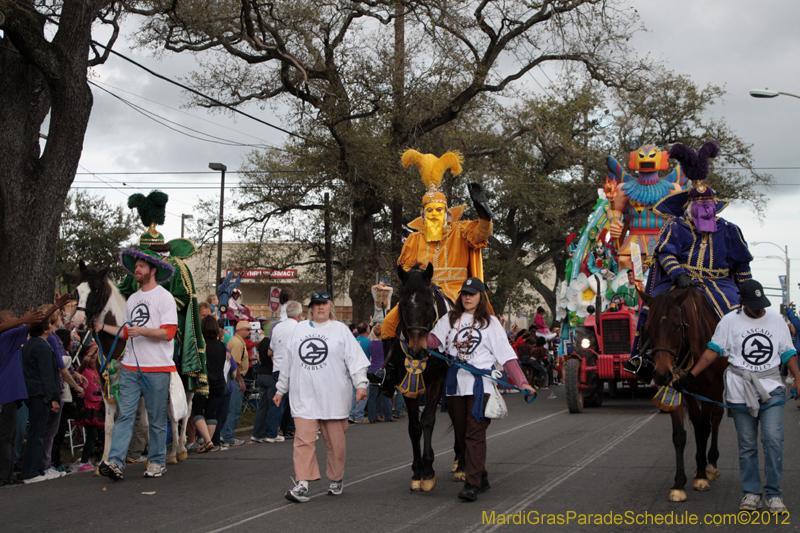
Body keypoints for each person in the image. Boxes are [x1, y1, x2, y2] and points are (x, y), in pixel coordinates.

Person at [624, 141, 753, 375]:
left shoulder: (729, 230)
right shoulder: (676, 226)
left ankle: (742, 363)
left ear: (715, 205)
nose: (704, 206)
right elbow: (665, 252)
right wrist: (678, 274)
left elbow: (741, 264)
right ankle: (640, 359)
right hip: (680, 280)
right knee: (652, 308)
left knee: (738, 313)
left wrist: (747, 289)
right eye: (699, 203)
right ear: (688, 206)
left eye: (708, 203)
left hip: (720, 282)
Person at [673, 280, 800, 514]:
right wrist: (690, 376)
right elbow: (713, 351)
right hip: (740, 390)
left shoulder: (775, 321)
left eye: (761, 304)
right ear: (742, 301)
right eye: (753, 305)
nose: (759, 309)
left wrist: (798, 380)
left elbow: (788, 352)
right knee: (747, 445)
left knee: (772, 439)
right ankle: (751, 494)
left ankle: (774, 494)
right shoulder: (729, 321)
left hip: (771, 387)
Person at [428, 278, 534, 502]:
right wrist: (415, 334)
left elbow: (507, 357)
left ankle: (472, 482)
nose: (468, 297)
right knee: (462, 434)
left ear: (481, 296)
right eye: (465, 293)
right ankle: (481, 475)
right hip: (455, 386)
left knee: (474, 433)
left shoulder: (491, 323)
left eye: (472, 293)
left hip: (481, 386)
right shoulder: (449, 319)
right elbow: (433, 341)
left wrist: (522, 382)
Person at [381, 150, 494, 341]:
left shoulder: (460, 230)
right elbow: (406, 269)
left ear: (447, 213)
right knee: (388, 323)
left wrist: (484, 214)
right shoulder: (414, 239)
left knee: (482, 325)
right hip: (424, 292)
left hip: (458, 290)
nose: (434, 213)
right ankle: (388, 369)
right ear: (423, 215)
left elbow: (480, 234)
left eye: (439, 209)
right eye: (430, 210)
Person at [275, 291, 370, 503]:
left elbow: (355, 360)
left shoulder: (340, 330)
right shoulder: (299, 329)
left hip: (333, 397)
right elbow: (287, 362)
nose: (320, 308)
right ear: (310, 308)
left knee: (335, 443)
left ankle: (336, 478)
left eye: (324, 304)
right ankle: (302, 483)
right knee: (303, 441)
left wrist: (361, 384)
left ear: (330, 307)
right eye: (316, 304)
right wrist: (280, 389)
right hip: (304, 396)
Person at [97, 249, 178, 480]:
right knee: (125, 415)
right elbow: (125, 331)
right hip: (131, 367)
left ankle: (156, 461)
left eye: (141, 266)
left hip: (157, 368)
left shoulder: (164, 297)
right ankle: (115, 462)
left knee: (155, 417)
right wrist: (102, 327)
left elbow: (169, 332)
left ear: (153, 270)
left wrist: (141, 331)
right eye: (136, 266)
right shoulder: (132, 299)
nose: (137, 270)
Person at [20, 308, 65, 484]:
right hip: (40, 393)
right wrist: (53, 396)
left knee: (37, 432)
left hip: (32, 391)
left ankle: (38, 468)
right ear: (45, 329)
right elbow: (47, 373)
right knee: (37, 433)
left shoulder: (30, 344)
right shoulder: (41, 345)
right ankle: (31, 471)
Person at [260, 301, 303, 443]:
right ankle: (291, 428)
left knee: (277, 401)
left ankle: (272, 432)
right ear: (299, 315)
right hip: (294, 369)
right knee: (296, 402)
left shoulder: (277, 327)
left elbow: (270, 350)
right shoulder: (300, 328)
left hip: (278, 368)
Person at [190, 315, 227, 453]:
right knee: (212, 413)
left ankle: (208, 440)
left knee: (197, 411)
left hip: (205, 382)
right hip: (219, 382)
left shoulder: (201, 345)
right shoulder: (222, 346)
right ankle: (207, 443)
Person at [73, 342, 104, 471]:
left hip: (100, 405)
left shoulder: (97, 370)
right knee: (91, 435)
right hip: (89, 406)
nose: (93, 360)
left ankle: (96, 457)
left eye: (94, 358)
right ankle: (83, 462)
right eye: (91, 358)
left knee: (101, 436)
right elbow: (84, 362)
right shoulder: (83, 370)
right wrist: (91, 351)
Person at [220, 320, 251, 447]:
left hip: (232, 377)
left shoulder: (236, 341)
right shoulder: (237, 343)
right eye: (248, 329)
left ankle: (225, 434)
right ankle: (228, 436)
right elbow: (235, 364)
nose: (250, 332)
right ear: (240, 330)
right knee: (233, 409)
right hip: (235, 378)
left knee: (230, 409)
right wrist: (239, 380)